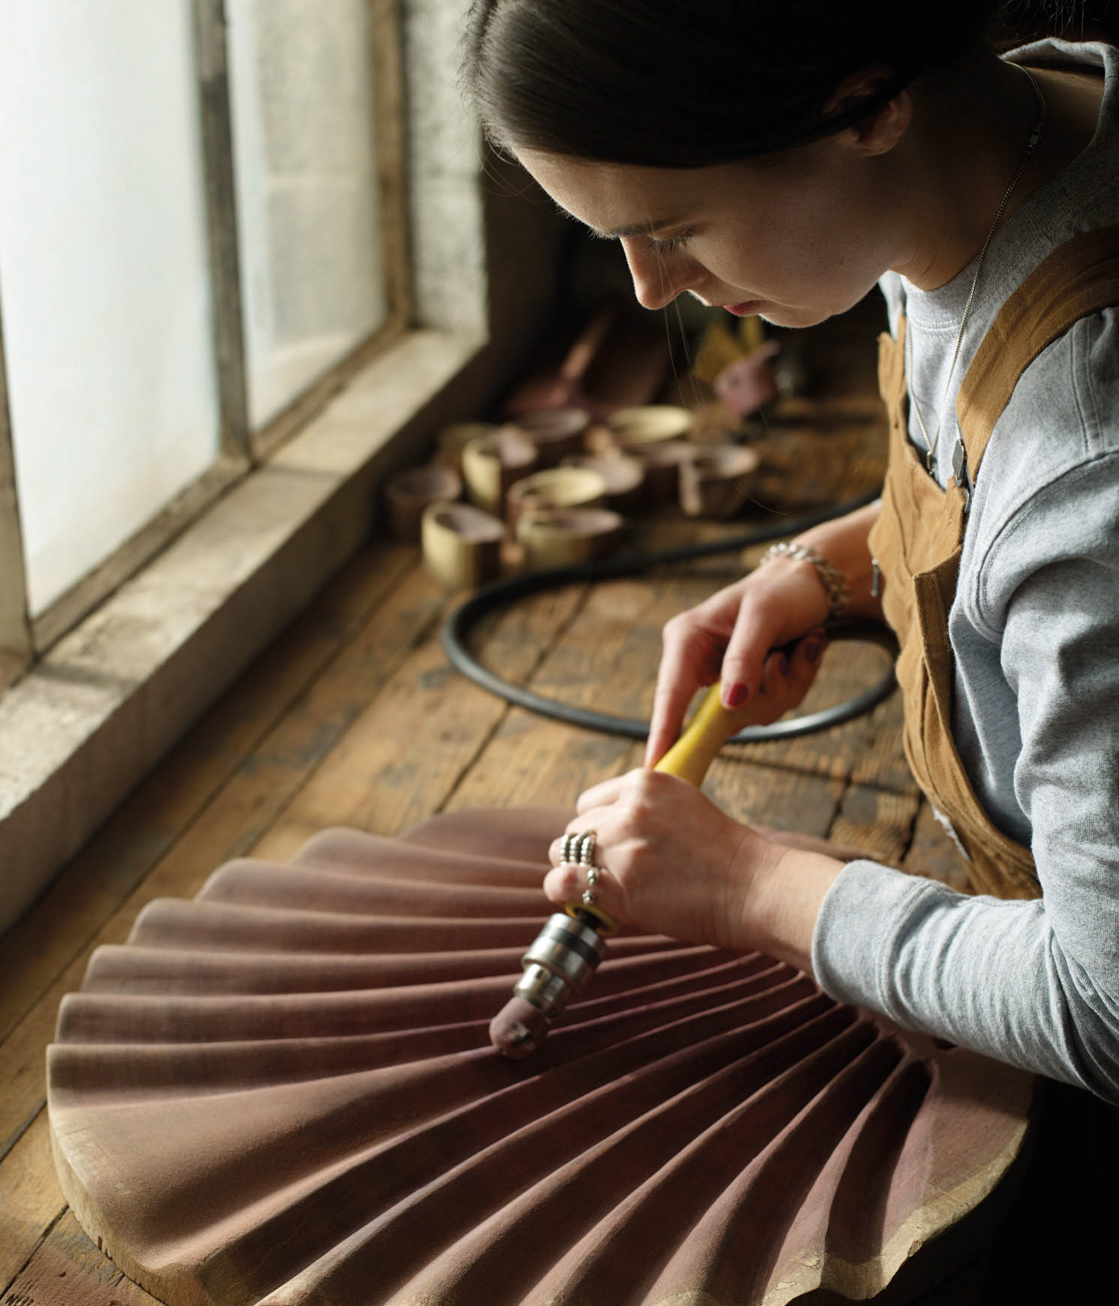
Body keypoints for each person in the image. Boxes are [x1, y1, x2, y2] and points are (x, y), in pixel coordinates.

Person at [460, 2, 1119, 1098]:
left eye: (673, 229)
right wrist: (838, 567)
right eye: (614, 239)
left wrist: (751, 884)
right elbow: (1014, 505)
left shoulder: (1090, 443)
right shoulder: (998, 152)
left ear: (867, 108)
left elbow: (1103, 1008)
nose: (649, 289)